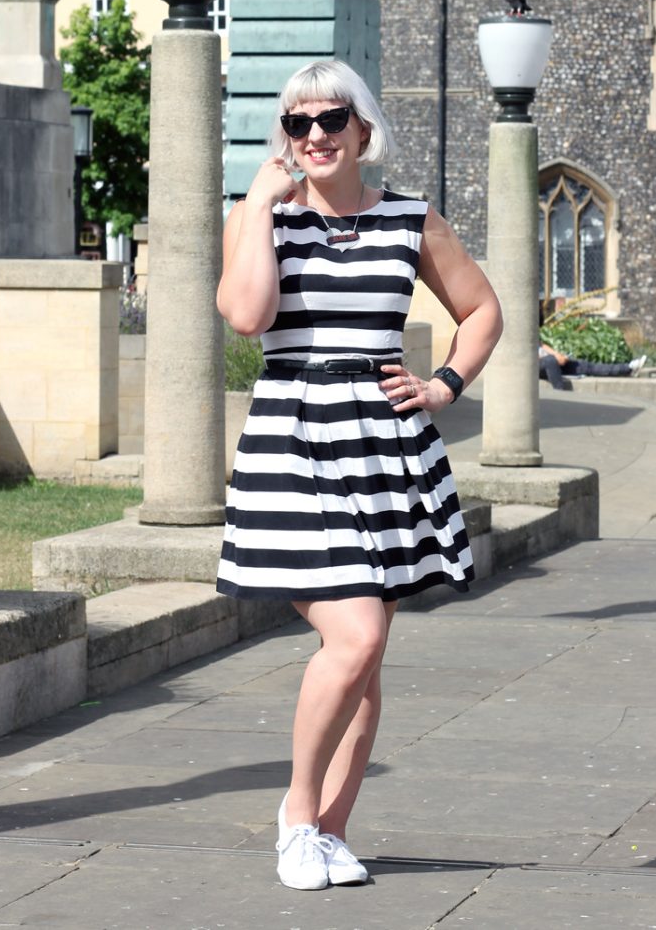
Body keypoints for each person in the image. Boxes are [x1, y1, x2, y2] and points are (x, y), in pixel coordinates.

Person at [215, 59, 503, 891]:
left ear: (363, 129)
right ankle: (297, 816)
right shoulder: (264, 214)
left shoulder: (411, 219)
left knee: (365, 668)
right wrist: (261, 208)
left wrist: (443, 384)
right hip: (294, 446)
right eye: (297, 124)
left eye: (330, 120)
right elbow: (246, 316)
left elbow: (482, 310)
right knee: (357, 636)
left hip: (383, 450)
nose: (313, 137)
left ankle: (332, 832)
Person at [538, 340, 647, 390]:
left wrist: (558, 355)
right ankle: (560, 396)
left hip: (553, 362)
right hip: (535, 365)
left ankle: (628, 368)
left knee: (585, 366)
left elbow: (540, 344)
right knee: (550, 361)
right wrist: (553, 358)